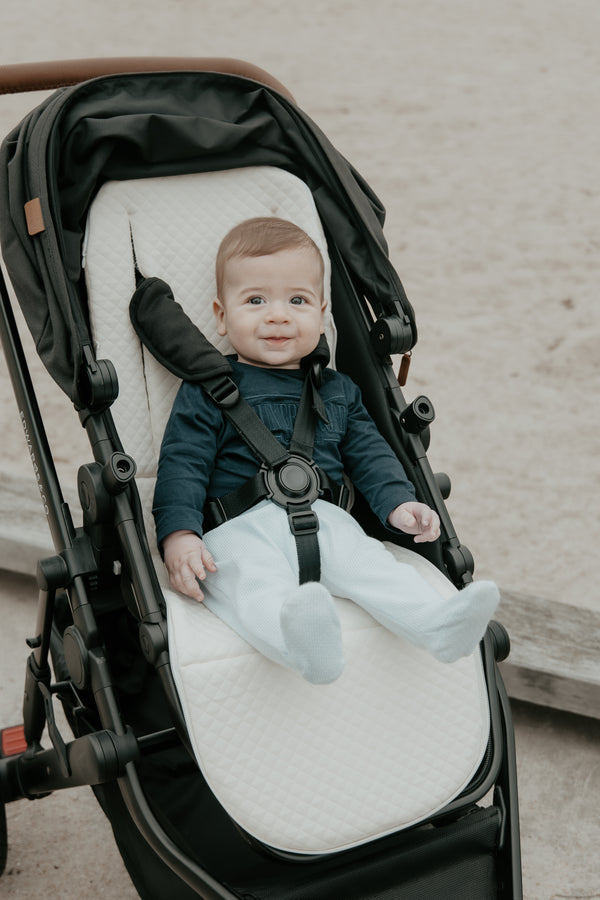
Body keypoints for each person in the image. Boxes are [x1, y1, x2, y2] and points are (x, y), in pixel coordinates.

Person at [153, 217, 499, 683]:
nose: (278, 316)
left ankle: (437, 624)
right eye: (255, 301)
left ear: (322, 314)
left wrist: (399, 503)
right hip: (239, 529)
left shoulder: (338, 391)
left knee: (373, 566)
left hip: (326, 520)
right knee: (250, 583)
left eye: (297, 301)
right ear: (220, 315)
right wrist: (179, 535)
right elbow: (183, 465)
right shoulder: (205, 391)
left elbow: (371, 455)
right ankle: (301, 643)